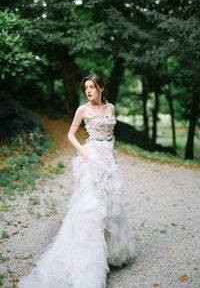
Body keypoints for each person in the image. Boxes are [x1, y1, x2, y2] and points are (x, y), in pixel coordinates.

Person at [18, 73, 135, 288]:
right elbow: (70, 134)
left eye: (92, 87)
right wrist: (84, 152)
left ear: (101, 88)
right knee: (91, 206)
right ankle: (89, 260)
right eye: (86, 88)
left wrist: (113, 156)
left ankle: (109, 253)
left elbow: (111, 135)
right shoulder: (83, 110)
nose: (88, 91)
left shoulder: (111, 108)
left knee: (110, 205)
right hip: (91, 158)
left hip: (108, 158)